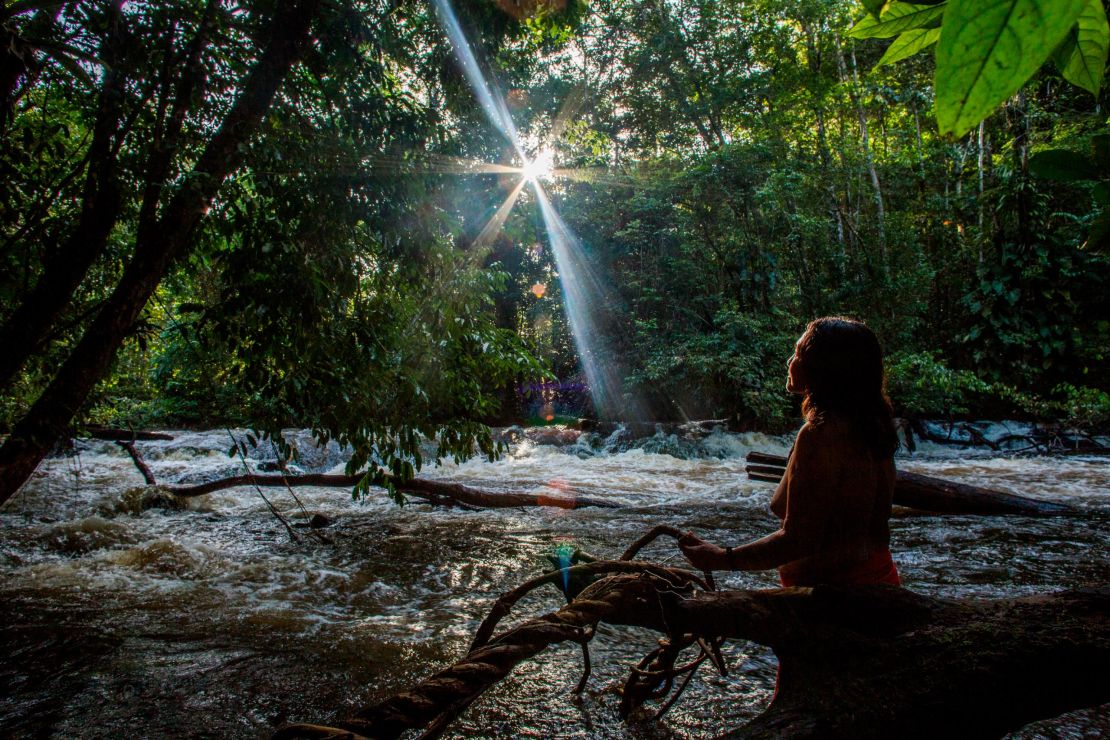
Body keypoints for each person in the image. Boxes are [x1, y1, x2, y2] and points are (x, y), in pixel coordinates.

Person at [679, 316, 901, 587]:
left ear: (822, 368)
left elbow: (798, 541)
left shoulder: (820, 435)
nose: (790, 362)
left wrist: (720, 557)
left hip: (835, 599)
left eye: (797, 354)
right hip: (881, 582)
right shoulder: (873, 427)